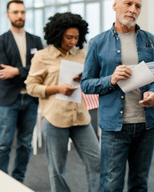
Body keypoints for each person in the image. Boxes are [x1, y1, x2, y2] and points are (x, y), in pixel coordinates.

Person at [81, 0, 154, 192]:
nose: (133, 9)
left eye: (137, 6)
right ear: (115, 6)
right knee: (111, 184)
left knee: (139, 183)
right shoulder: (97, 43)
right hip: (114, 127)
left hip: (147, 124)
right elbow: (86, 84)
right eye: (128, 3)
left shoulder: (150, 40)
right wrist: (110, 80)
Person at [25, 12, 100, 192]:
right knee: (57, 170)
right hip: (54, 119)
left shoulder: (82, 54)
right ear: (58, 34)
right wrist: (57, 88)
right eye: (69, 37)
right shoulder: (42, 56)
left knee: (97, 161)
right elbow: (31, 87)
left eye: (76, 37)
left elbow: (91, 80)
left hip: (81, 117)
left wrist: (85, 78)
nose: (73, 41)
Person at [0, 0, 43, 182]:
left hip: (30, 99)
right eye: (15, 12)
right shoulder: (0, 41)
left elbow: (41, 69)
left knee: (25, 144)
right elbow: (2, 71)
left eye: (22, 12)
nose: (19, 15)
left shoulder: (36, 40)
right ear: (8, 15)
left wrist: (16, 71)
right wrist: (26, 70)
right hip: (8, 100)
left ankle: (17, 181)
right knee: (2, 145)